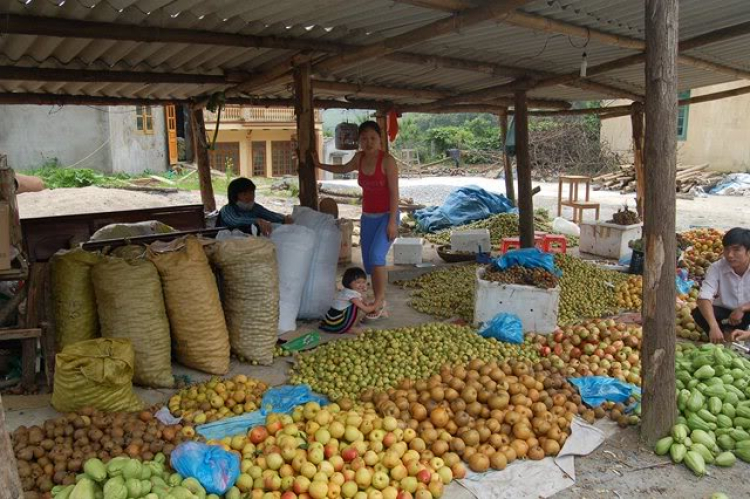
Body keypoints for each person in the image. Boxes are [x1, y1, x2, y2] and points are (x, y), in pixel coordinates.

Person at [313, 121, 399, 319]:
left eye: (372, 139)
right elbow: (342, 168)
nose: (368, 142)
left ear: (380, 140)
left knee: (378, 256)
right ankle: (378, 299)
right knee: (370, 263)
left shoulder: (387, 161)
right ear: (359, 141)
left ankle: (379, 301)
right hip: (368, 217)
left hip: (387, 216)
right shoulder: (359, 158)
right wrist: (319, 164)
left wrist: (393, 222)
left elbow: (395, 193)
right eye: (364, 139)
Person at [692, 227, 750, 343]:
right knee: (699, 312)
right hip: (725, 315)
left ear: (748, 252)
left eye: (736, 250)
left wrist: (742, 308)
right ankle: (724, 334)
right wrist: (714, 327)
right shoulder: (717, 268)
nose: (730, 255)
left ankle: (744, 334)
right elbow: (704, 298)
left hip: (747, 314)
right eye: (727, 249)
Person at [219, 177, 292, 236]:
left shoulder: (255, 208)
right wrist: (257, 221)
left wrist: (284, 218)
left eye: (251, 193)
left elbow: (270, 215)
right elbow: (234, 220)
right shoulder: (227, 209)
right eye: (244, 194)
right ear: (234, 196)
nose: (249, 197)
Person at [319, 267, 378, 334]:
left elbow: (363, 300)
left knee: (359, 303)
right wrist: (377, 304)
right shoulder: (352, 296)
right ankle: (350, 328)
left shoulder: (347, 291)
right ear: (348, 282)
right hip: (337, 323)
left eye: (364, 282)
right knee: (357, 306)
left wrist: (365, 297)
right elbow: (366, 309)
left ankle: (352, 323)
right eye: (358, 282)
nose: (361, 285)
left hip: (331, 320)